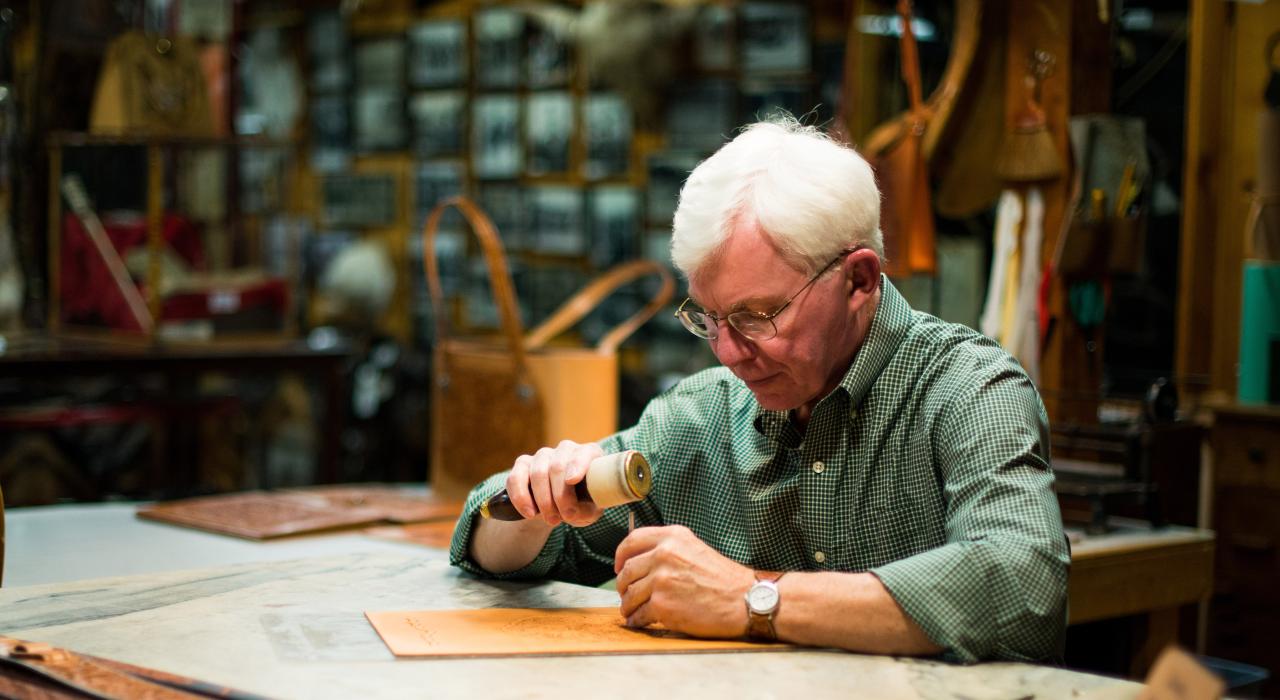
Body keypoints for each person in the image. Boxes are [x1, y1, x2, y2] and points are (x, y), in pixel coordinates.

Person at [449, 117, 1069, 663]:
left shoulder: (969, 390)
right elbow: (483, 547)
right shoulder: (700, 416)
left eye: (757, 316)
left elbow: (1022, 586)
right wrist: (534, 505)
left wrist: (750, 598)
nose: (726, 351)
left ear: (858, 280)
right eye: (708, 319)